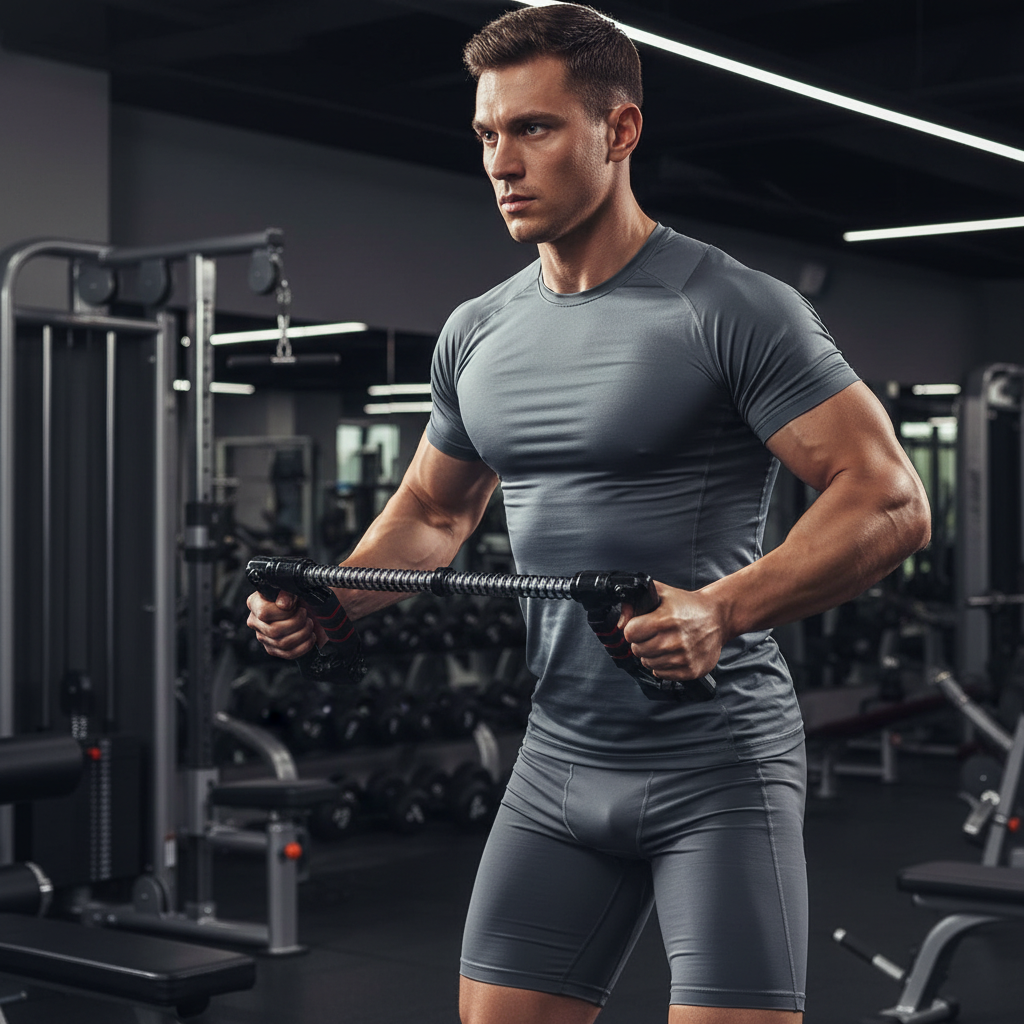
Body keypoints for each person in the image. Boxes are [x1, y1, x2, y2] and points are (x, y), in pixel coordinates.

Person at [246, 4, 931, 1022]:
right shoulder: (477, 331)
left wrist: (722, 610)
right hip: (556, 760)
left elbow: (888, 501)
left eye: (534, 128)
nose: (501, 162)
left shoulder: (731, 307)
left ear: (618, 133)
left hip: (717, 765)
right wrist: (337, 600)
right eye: (487, 134)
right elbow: (435, 513)